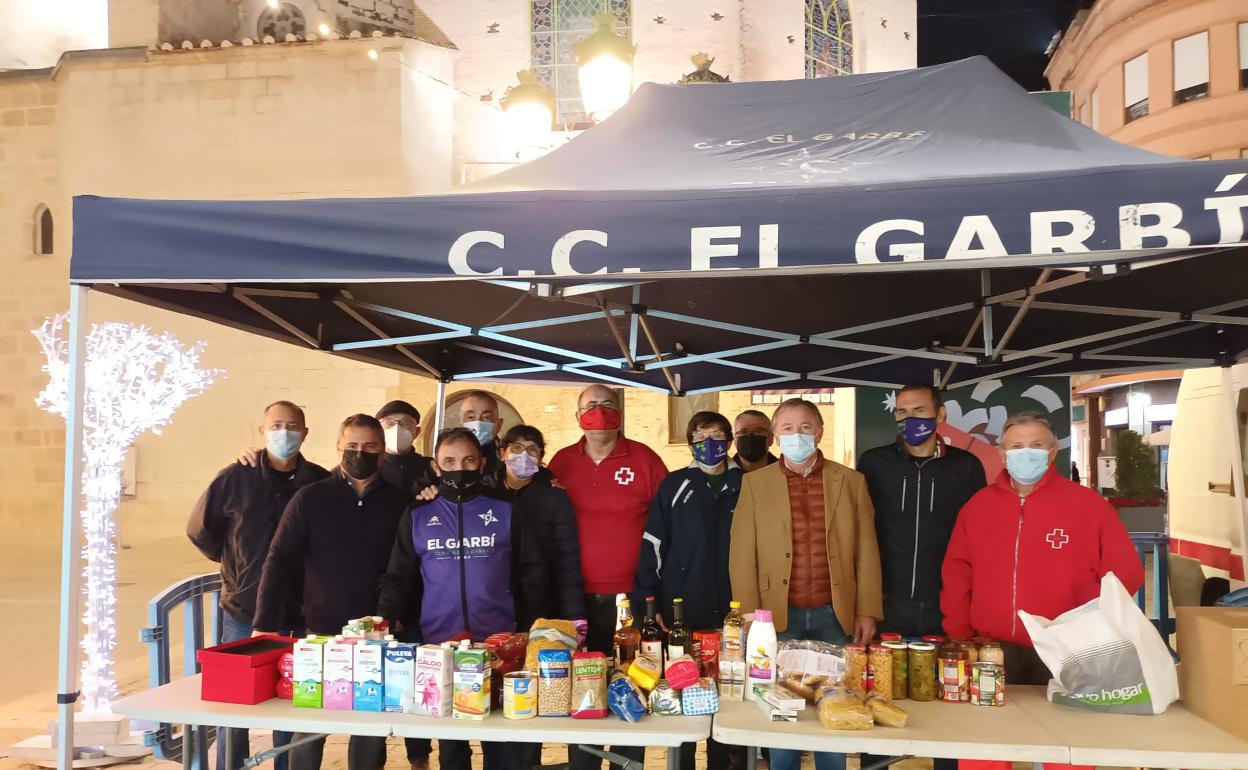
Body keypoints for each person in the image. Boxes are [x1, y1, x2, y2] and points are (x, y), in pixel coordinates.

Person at [941, 411, 1144, 770]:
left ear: (1052, 453)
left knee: (1067, 746)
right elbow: (957, 572)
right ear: (1002, 455)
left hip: (1066, 648)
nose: (1026, 453)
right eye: (1016, 446)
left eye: (1036, 446)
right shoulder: (978, 507)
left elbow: (1125, 574)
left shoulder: (1086, 505)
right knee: (985, 745)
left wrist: (1087, 626)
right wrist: (959, 633)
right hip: (993, 647)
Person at [377, 427, 547, 770]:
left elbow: (532, 572)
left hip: (501, 646)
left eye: (468, 460)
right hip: (441, 646)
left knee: (503, 742)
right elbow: (399, 576)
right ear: (437, 467)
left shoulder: (506, 509)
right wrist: (384, 618)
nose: (460, 467)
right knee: (452, 747)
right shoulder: (417, 514)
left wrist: (535, 628)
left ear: (482, 463)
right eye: (450, 461)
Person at [729, 398, 882, 770]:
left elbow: (867, 548)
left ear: (820, 432)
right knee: (783, 709)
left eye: (805, 428)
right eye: (787, 429)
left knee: (836, 705)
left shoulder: (850, 481)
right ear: (775, 437)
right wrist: (750, 615)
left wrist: (867, 610)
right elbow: (741, 553)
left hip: (835, 613)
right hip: (776, 616)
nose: (797, 435)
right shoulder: (754, 484)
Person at [253, 414, 408, 770]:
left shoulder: (399, 502)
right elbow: (279, 560)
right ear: (339, 446)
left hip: (377, 634)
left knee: (369, 725)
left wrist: (396, 615)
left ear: (382, 450)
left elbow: (406, 568)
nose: (360, 453)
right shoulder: (310, 499)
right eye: (352, 446)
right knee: (310, 724)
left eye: (369, 446)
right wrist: (265, 622)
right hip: (321, 632)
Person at [187, 401, 329, 770]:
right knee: (234, 705)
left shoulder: (318, 481)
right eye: (277, 425)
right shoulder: (235, 477)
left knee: (293, 704)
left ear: (306, 432)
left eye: (293, 425)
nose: (285, 432)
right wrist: (235, 564)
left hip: (298, 613)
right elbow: (200, 530)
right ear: (262, 431)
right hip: (243, 610)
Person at [855, 385, 984, 770]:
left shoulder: (966, 466)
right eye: (902, 410)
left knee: (950, 705)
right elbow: (861, 534)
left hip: (945, 608)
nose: (910, 418)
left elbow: (977, 537)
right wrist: (866, 604)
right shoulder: (874, 463)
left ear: (940, 415)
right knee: (878, 701)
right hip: (888, 605)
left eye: (920, 409)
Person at [547, 384, 668, 770]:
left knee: (632, 685)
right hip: (574, 599)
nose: (599, 413)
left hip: (630, 599)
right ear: (577, 415)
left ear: (620, 413)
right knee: (582, 688)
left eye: (608, 406)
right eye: (590, 406)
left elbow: (667, 527)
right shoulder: (561, 463)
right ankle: (581, 763)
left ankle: (627, 765)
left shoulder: (647, 461)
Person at [634, 411, 746, 770]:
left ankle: (725, 763)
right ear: (689, 442)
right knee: (683, 688)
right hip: (684, 607)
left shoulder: (749, 483)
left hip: (735, 609)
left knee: (730, 694)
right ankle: (680, 762)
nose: (709, 443)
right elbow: (653, 544)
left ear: (729, 441)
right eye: (700, 436)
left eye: (717, 435)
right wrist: (650, 601)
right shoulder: (674, 484)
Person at [376, 399, 437, 497]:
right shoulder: (371, 467)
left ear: (416, 432)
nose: (396, 428)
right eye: (389, 423)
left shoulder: (430, 468)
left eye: (405, 423)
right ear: (379, 431)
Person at [457, 389, 504, 479]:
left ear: (499, 424)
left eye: (486, 417)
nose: (478, 423)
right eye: (470, 417)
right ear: (461, 425)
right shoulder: (450, 458)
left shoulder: (508, 461)